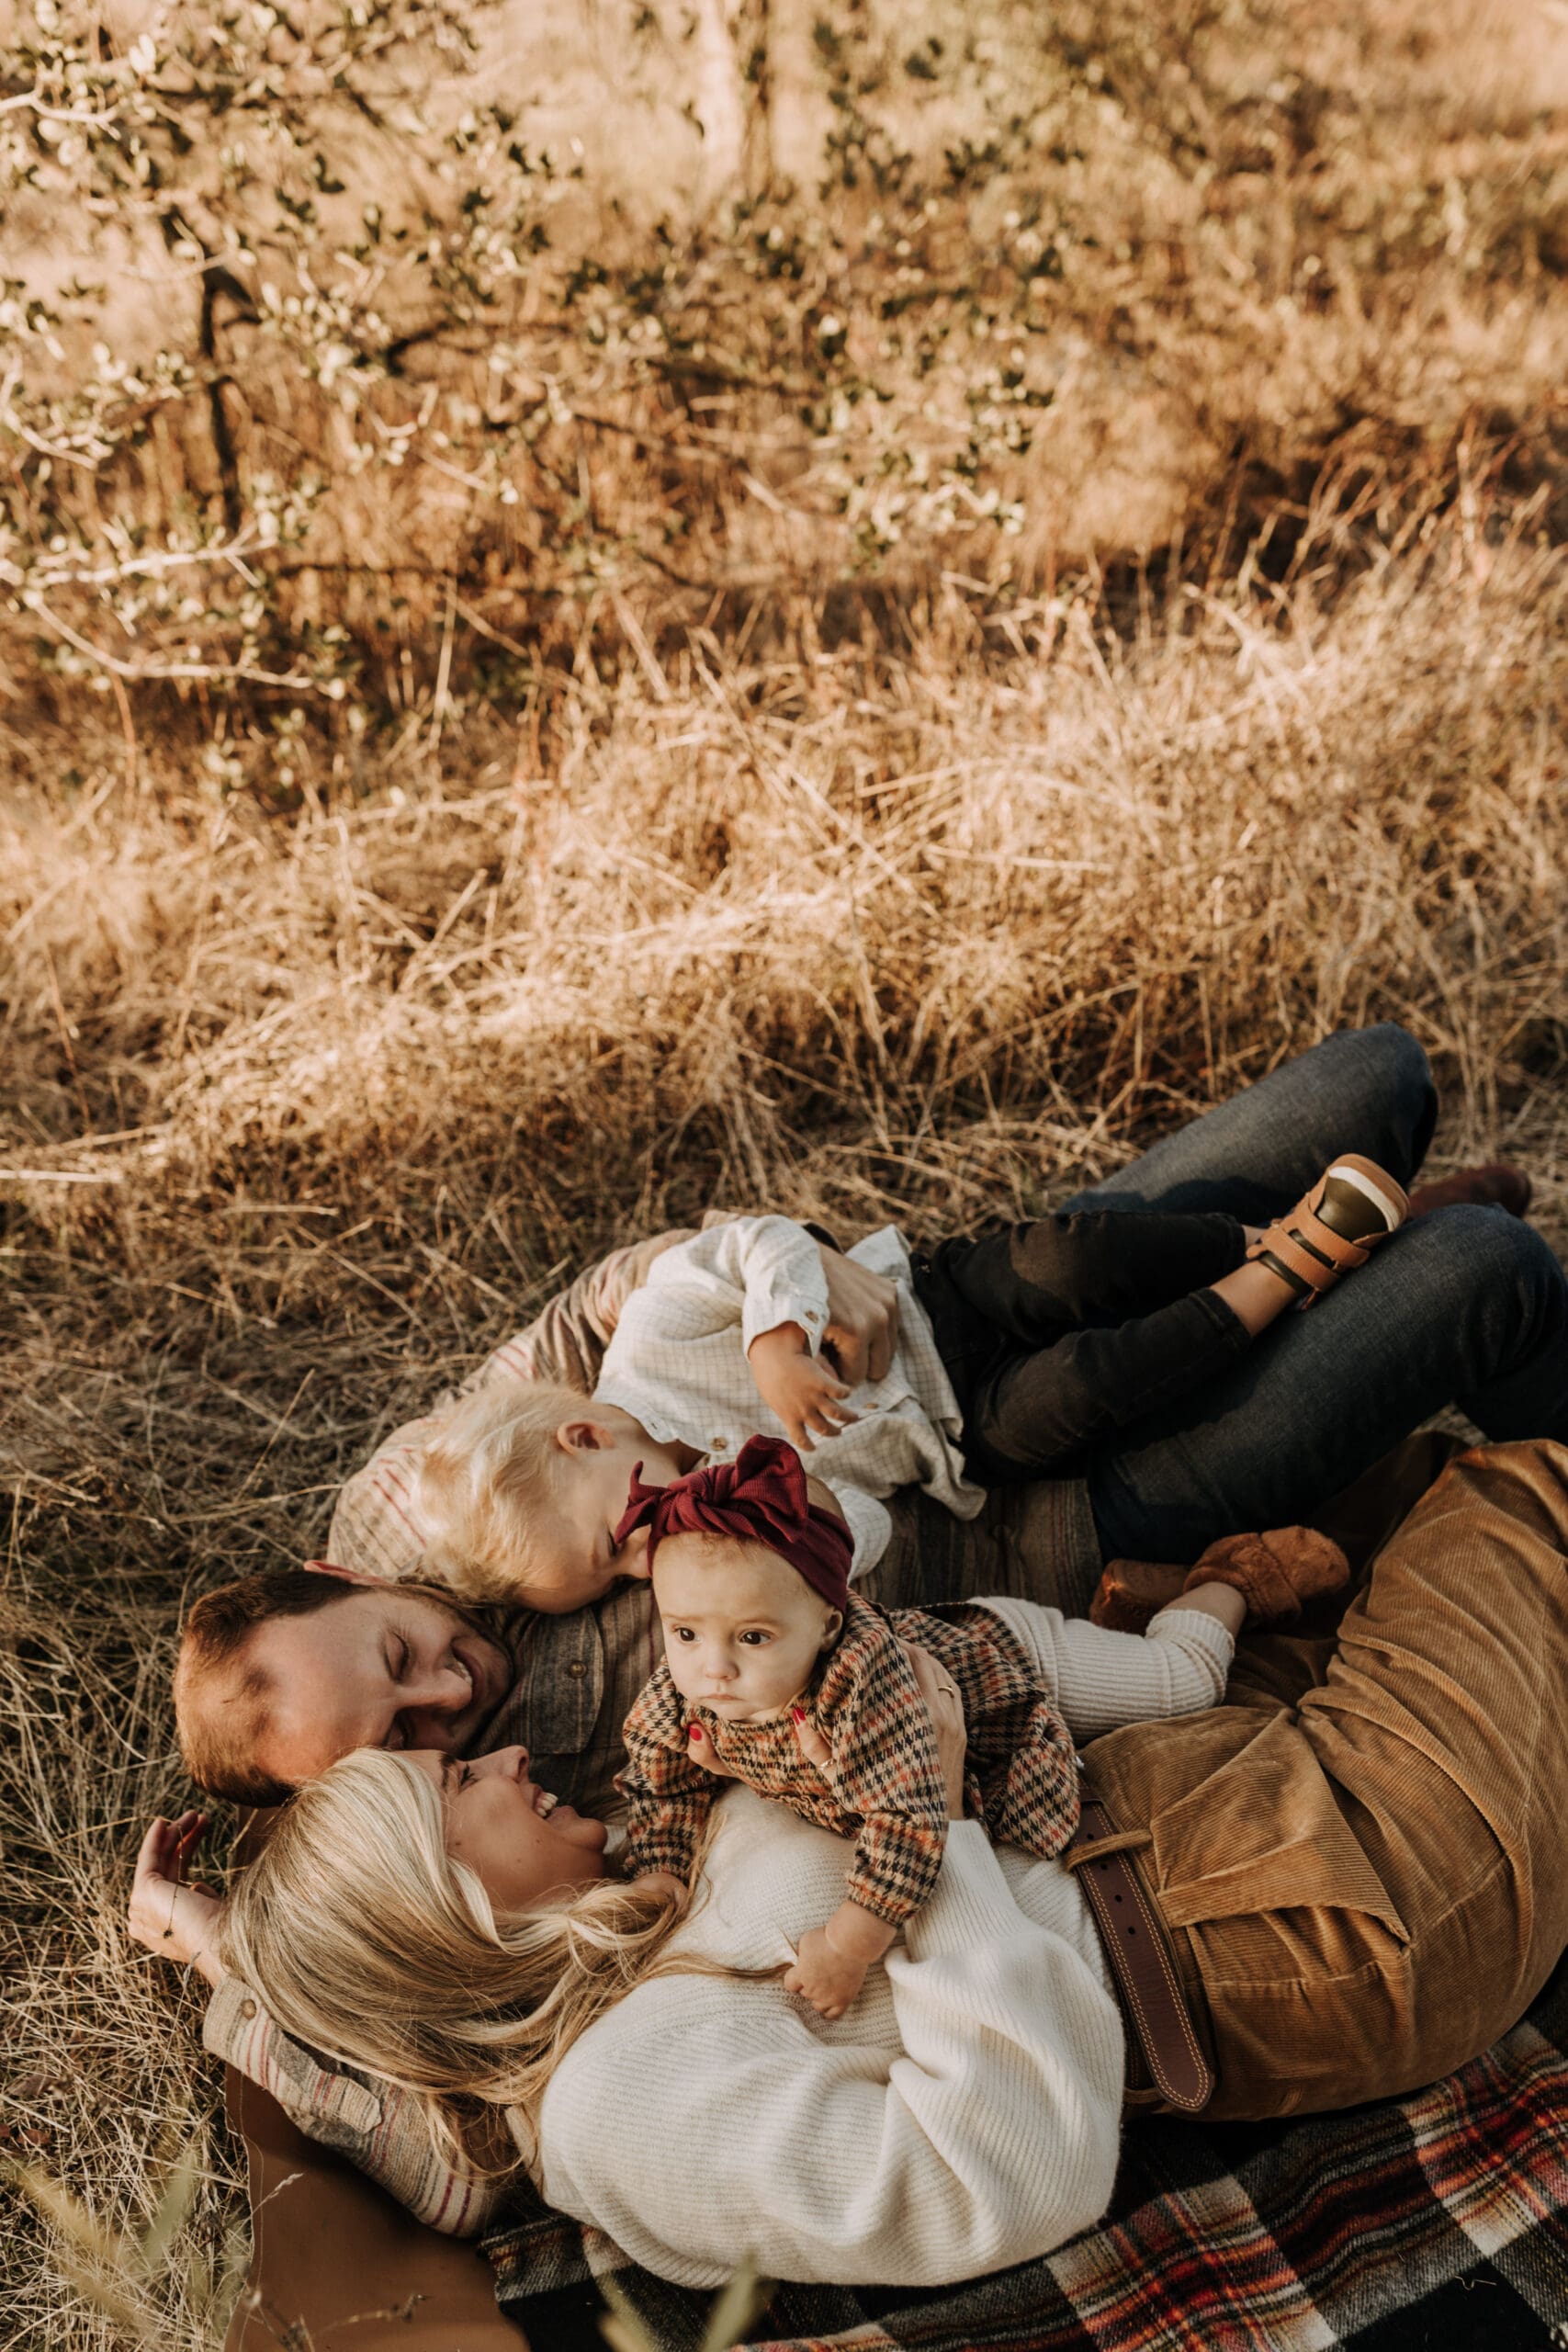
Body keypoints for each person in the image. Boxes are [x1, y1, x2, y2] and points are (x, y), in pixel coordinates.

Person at [133, 1438, 1568, 2291]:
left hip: (1179, 1794)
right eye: (460, 1785)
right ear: (447, 1911)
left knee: (1398, 1503)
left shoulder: (626, 1890)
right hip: (1281, 1911)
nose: (506, 1756)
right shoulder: (615, 2113)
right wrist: (922, 1836)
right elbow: (1003, 2173)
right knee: (1511, 1493)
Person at [411, 1154, 1406, 1606]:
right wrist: (807, 1534)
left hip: (934, 1300)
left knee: (1074, 1259)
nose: (643, 1564)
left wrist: (776, 1340)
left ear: (583, 1437)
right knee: (1086, 1388)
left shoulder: (652, 1338)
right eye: (617, 1584)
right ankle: (1283, 1272)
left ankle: (1250, 1237)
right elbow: (871, 1520)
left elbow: (753, 1243)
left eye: (618, 1544)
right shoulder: (725, 1521)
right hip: (957, 1434)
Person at [614, 1436, 1260, 2018]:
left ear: (829, 1625)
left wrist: (848, 1944)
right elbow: (658, 1783)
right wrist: (662, 1868)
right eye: (685, 1631)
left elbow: (908, 1822)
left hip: (1006, 1665)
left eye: (753, 1636)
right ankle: (1132, 1606)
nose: (714, 1666)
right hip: (952, 1742)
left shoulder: (860, 1688)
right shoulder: (682, 1691)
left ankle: (1226, 1581)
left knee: (1185, 1685)